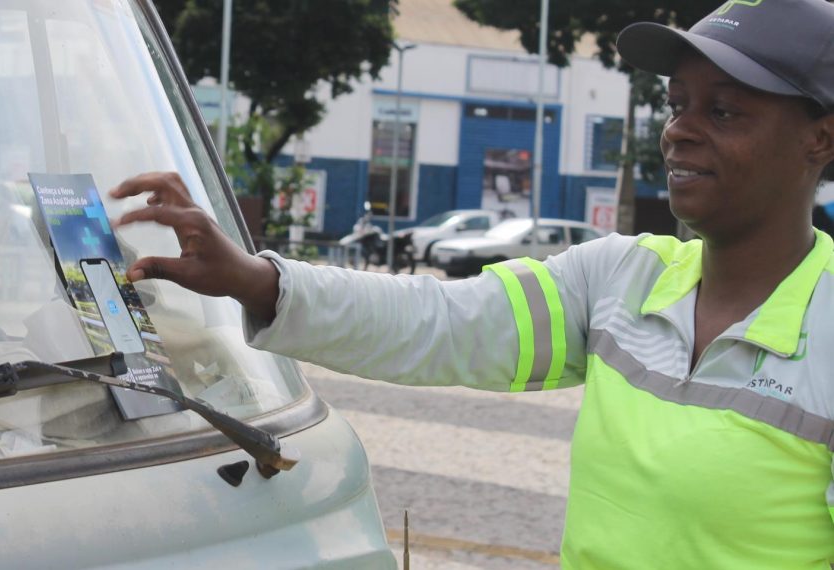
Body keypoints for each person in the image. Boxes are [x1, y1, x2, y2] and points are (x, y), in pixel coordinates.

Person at [110, 0, 834, 566]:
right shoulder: (623, 277)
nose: (679, 129)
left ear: (820, 139)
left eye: (725, 109)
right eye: (677, 103)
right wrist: (255, 280)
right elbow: (442, 323)